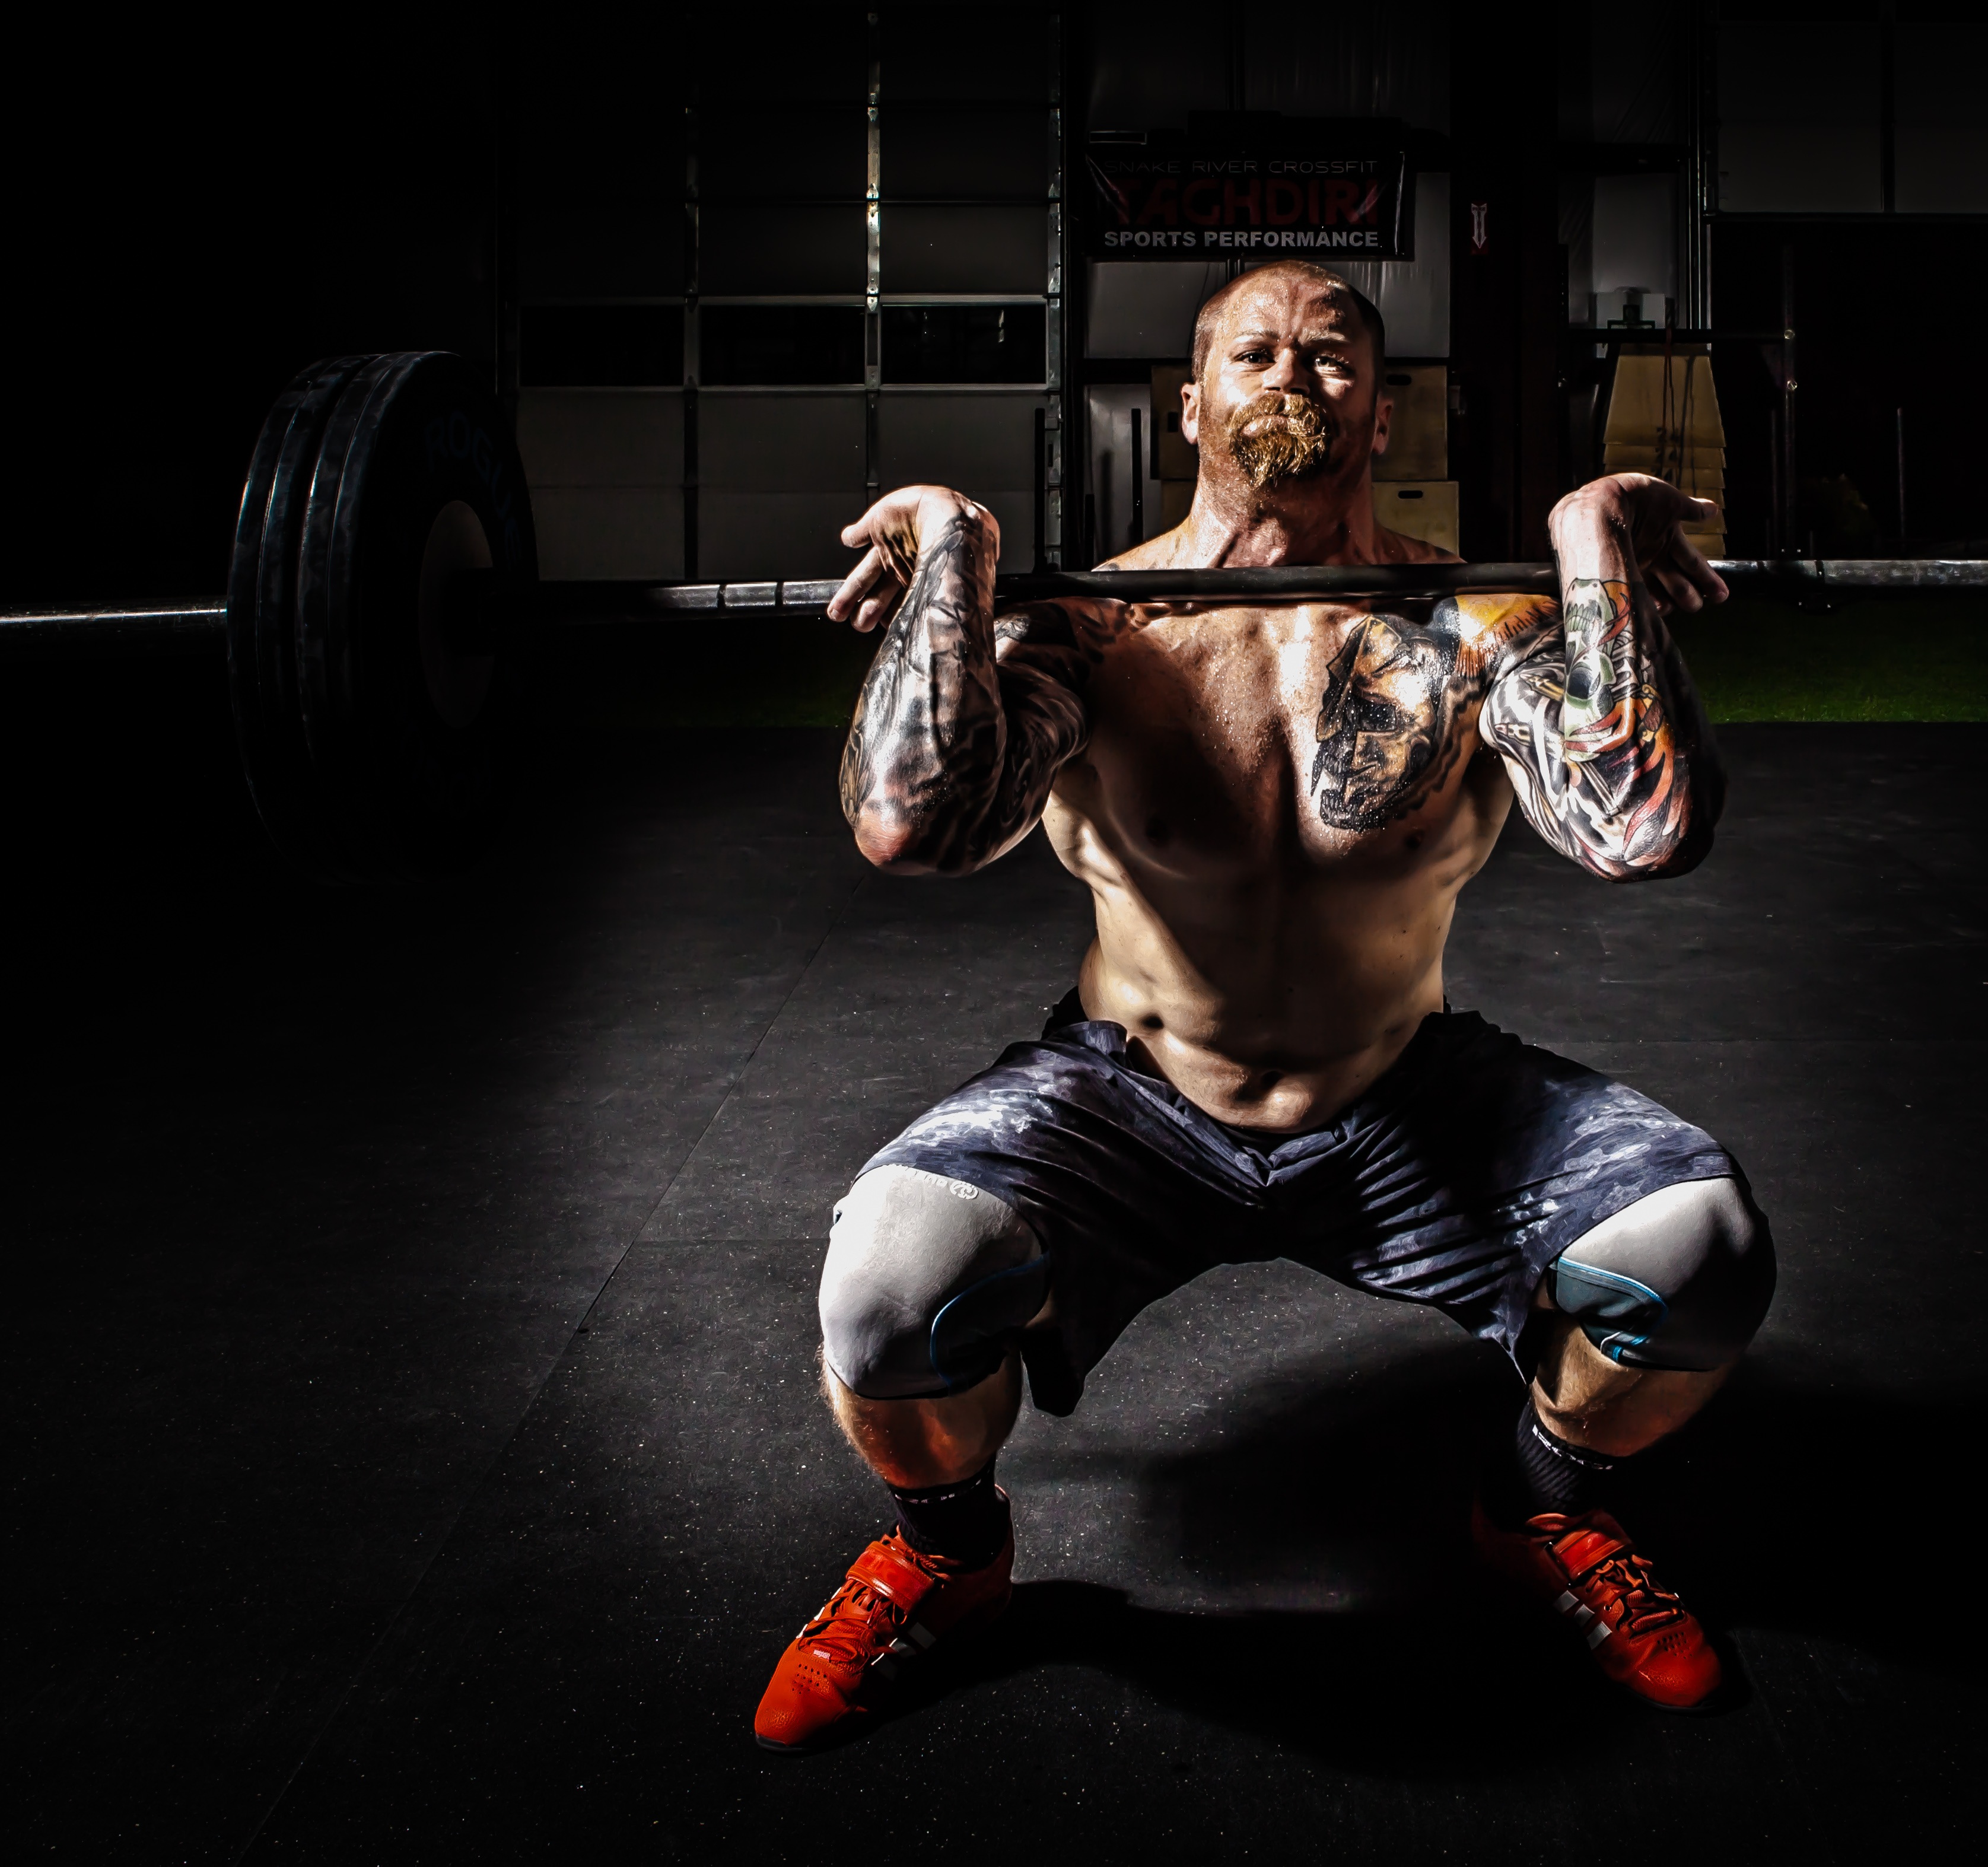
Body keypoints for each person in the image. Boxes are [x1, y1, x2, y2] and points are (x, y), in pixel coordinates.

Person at [755, 260, 1776, 1752]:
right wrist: (955, 564)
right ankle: (948, 1550)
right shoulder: (1096, 629)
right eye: (1255, 352)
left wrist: (1588, 553)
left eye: (1332, 354)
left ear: (1380, 403)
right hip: (1131, 1097)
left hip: (1402, 1093)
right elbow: (914, 822)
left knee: (1703, 1249)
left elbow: (1641, 828)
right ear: (1191, 402)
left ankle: (1544, 1510)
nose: (1293, 376)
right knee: (884, 1289)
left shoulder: (1468, 615)